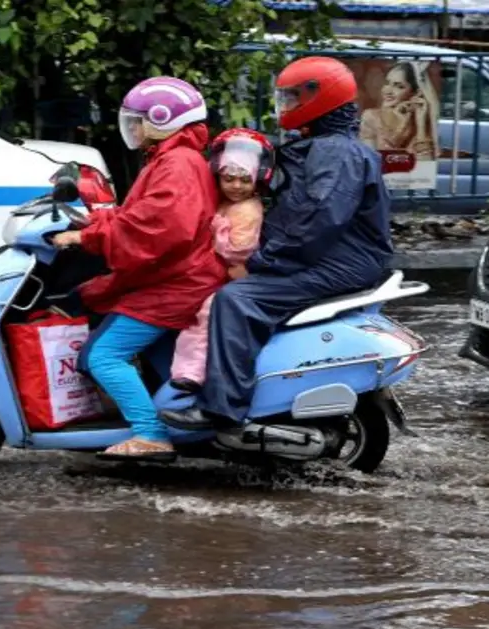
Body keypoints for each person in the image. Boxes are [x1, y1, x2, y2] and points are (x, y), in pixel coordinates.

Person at [160, 56, 394, 432]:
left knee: (236, 300)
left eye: (293, 97)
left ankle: (221, 410)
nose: (286, 106)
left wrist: (261, 263)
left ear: (319, 98)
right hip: (331, 256)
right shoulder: (324, 145)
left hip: (337, 262)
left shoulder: (335, 152)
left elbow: (317, 220)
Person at [51, 76, 225, 462]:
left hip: (174, 283)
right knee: (166, 360)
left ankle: (150, 434)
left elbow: (159, 228)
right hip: (177, 276)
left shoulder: (177, 163)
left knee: (101, 356)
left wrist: (88, 239)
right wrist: (94, 223)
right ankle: (190, 428)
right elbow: (141, 214)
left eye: (138, 120)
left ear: (163, 119)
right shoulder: (170, 158)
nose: (132, 128)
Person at [169, 128, 274, 392]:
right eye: (229, 179)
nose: (236, 186)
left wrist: (214, 228)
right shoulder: (224, 202)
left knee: (204, 315)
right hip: (218, 271)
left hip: (232, 276)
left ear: (258, 179)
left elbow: (237, 250)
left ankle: (191, 374)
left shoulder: (248, 209)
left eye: (244, 180)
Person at [359, 61, 436, 161]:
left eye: (399, 86)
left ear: (415, 93)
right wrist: (401, 129)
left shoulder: (420, 121)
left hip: (414, 177)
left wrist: (420, 125)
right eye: (387, 83)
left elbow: (426, 166)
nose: (388, 91)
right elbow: (372, 161)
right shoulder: (371, 117)